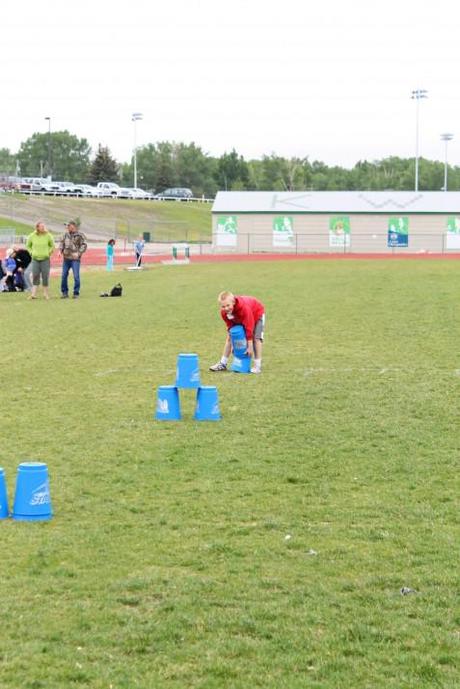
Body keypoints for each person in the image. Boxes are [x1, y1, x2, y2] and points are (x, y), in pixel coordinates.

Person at [209, 291, 265, 374]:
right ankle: (222, 364)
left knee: (256, 338)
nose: (226, 308)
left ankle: (257, 366)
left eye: (228, 305)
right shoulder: (224, 313)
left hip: (256, 313)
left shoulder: (244, 308)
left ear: (233, 302)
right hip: (239, 317)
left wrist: (249, 346)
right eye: (223, 306)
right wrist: (234, 344)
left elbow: (249, 327)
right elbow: (230, 327)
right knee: (229, 337)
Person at [26, 221, 55, 300]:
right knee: (35, 276)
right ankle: (33, 294)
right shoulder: (32, 236)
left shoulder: (48, 235)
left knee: (45, 276)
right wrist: (31, 253)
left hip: (45, 259)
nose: (43, 228)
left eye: (43, 226)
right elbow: (28, 246)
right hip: (35, 259)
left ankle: (46, 294)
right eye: (41, 226)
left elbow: (52, 245)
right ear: (37, 227)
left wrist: (48, 252)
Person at [59, 221, 88, 299]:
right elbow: (62, 243)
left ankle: (76, 293)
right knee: (64, 276)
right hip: (66, 259)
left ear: (73, 226)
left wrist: (78, 253)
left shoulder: (80, 235)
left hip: (75, 260)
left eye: (69, 226)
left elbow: (84, 245)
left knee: (76, 276)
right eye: (67, 226)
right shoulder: (65, 235)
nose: (67, 227)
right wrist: (60, 251)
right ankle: (64, 293)